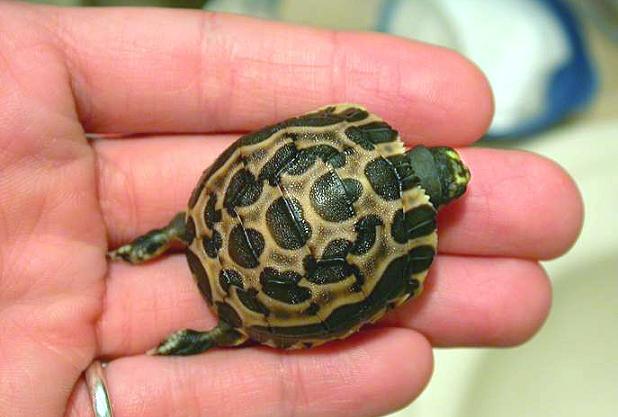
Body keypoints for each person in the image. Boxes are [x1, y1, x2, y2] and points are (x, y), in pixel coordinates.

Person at [0, 3, 583, 417]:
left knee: (209, 226)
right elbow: (386, 293)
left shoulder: (359, 132)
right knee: (244, 321)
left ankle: (177, 236)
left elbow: (285, 144)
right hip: (262, 301)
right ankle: (213, 329)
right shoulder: (412, 258)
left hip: (218, 222)